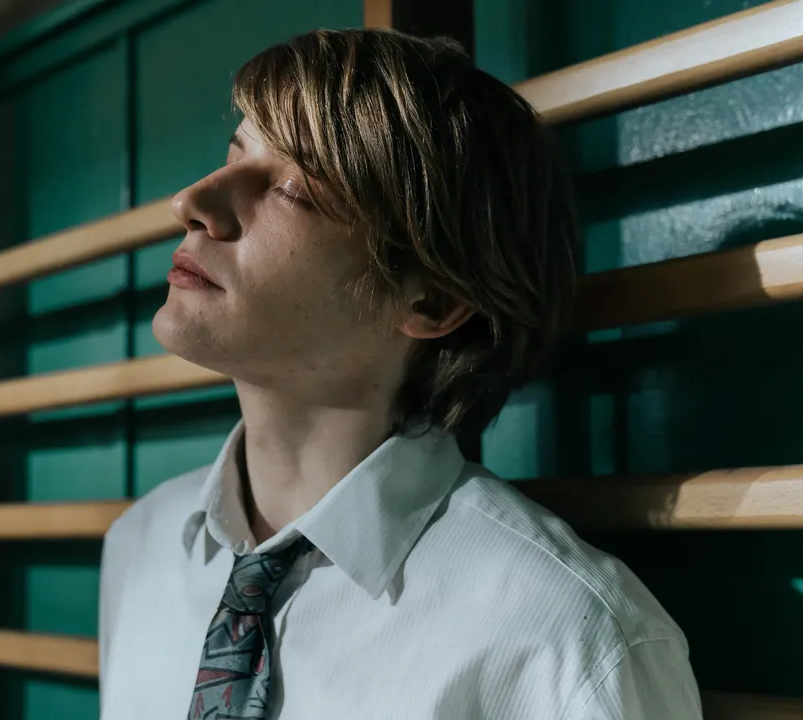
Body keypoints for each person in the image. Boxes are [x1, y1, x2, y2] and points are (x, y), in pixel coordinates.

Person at [99, 27, 702, 719]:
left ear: (430, 300)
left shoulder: (569, 642)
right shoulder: (139, 547)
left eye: (290, 188)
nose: (193, 202)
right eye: (234, 155)